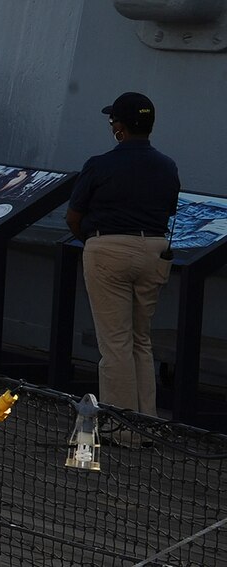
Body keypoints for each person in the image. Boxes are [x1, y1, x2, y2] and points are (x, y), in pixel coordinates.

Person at [66, 92, 177, 419]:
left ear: (120, 129)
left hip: (108, 250)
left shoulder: (99, 165)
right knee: (141, 341)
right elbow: (169, 210)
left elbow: (73, 217)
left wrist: (93, 241)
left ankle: (121, 427)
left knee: (115, 344)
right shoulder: (167, 166)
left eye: (112, 120)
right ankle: (146, 423)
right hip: (154, 252)